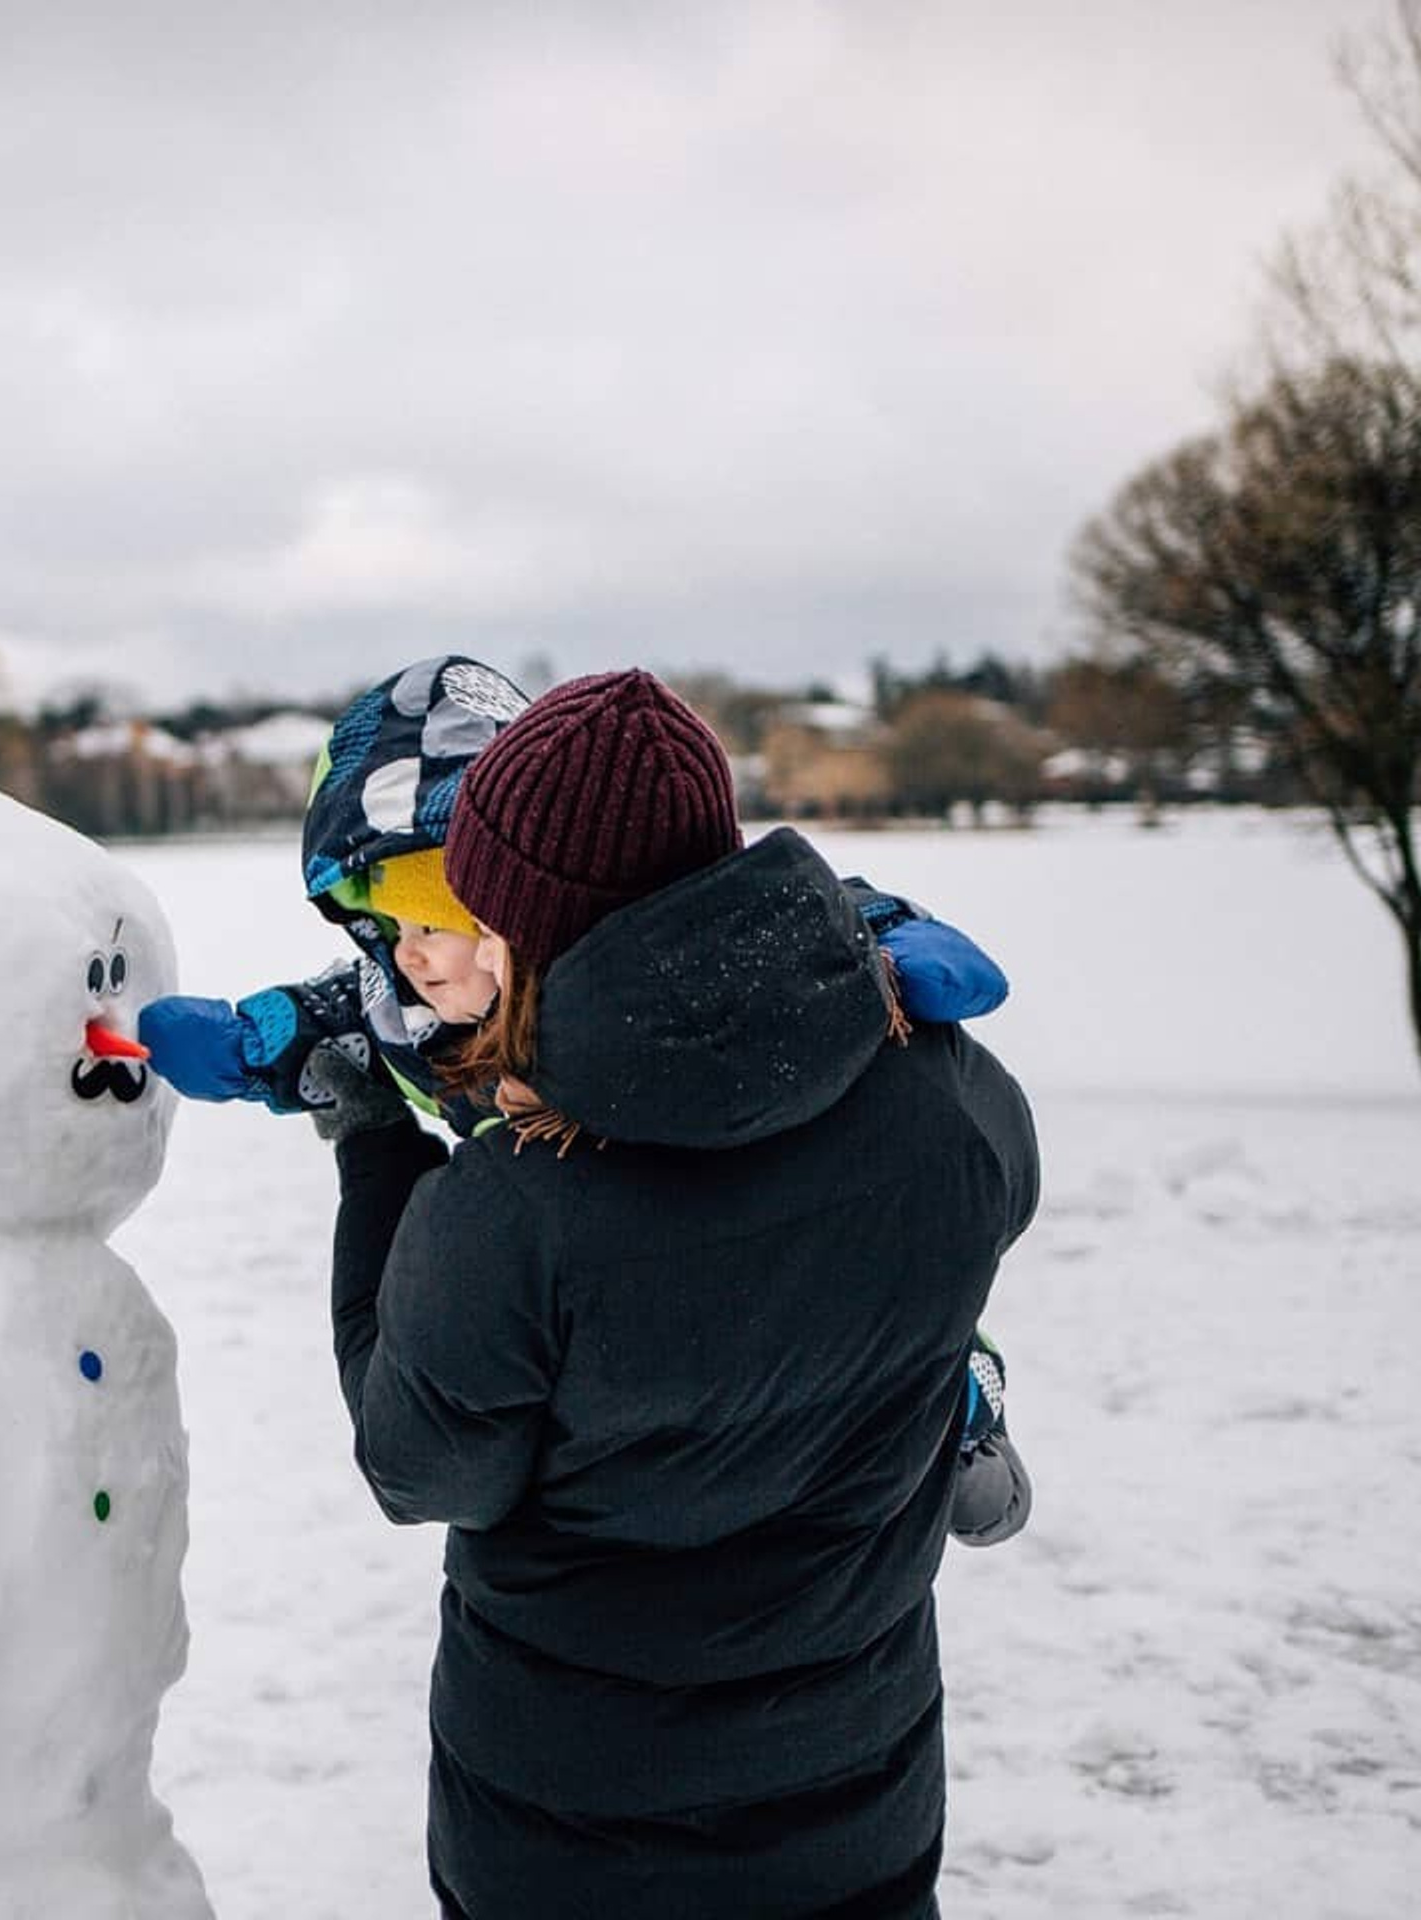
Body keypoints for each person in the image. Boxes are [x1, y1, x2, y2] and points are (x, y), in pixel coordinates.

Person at [308, 669, 1040, 1920]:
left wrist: (377, 1154)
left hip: (572, 1843)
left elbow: (421, 1468)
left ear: (528, 923)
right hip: (856, 1810)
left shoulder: (509, 1212)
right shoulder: (958, 1104)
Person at [139, 655, 1029, 1543]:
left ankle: (959, 1404)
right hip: (610, 1285)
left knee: (863, 1287)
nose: (415, 954)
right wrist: (232, 1041)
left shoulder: (653, 988)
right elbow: (317, 1022)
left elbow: (792, 925)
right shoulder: (403, 1010)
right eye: (384, 919)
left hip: (796, 1233)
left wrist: (887, 944)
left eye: (443, 916)